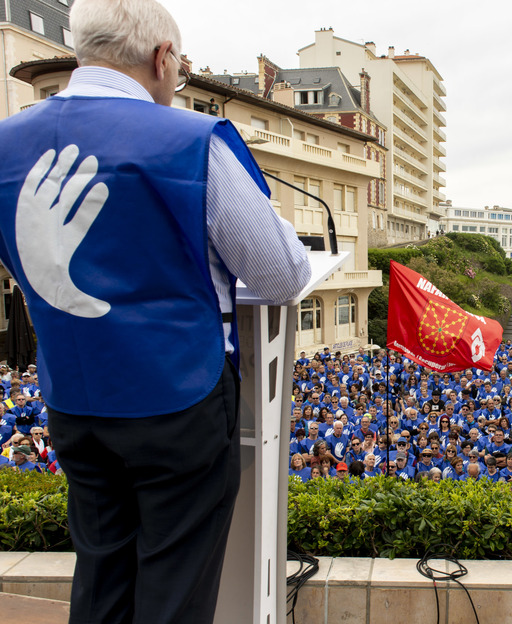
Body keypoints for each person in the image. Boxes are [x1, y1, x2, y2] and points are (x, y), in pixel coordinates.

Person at [0, 1, 312, 622]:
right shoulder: (192, 142)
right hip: (178, 397)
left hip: (73, 395)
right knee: (173, 590)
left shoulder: (7, 145)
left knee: (102, 576)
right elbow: (283, 275)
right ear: (162, 58)